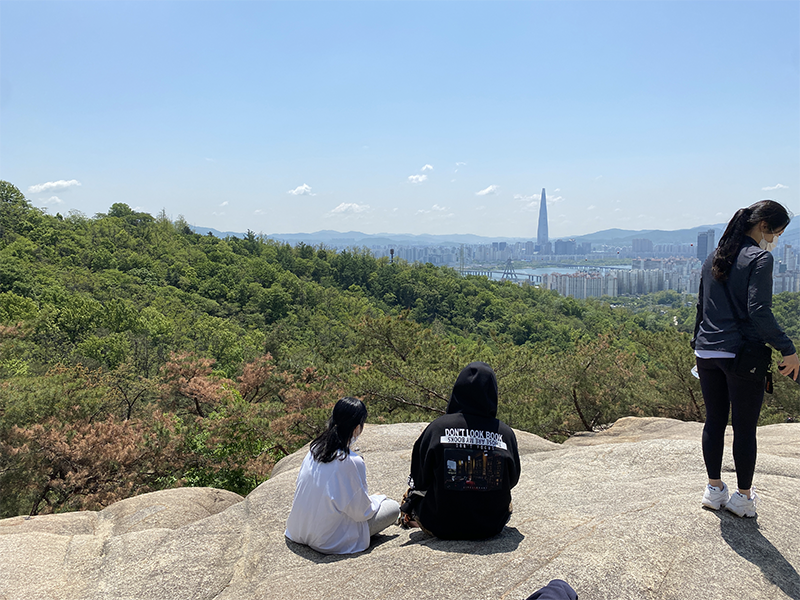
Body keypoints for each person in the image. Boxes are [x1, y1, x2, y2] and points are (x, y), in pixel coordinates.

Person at [691, 200, 799, 518]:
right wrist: (788, 349)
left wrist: (699, 345)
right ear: (763, 225)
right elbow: (759, 310)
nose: (775, 239)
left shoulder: (714, 256)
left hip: (706, 351)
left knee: (714, 421)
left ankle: (713, 490)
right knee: (744, 427)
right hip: (740, 354)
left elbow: (701, 306)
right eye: (777, 232)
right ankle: (743, 497)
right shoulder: (760, 258)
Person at [402, 361, 521, 539]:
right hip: (490, 525)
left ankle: (410, 519)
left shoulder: (437, 428)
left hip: (440, 525)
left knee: (410, 495)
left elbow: (420, 480)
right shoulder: (504, 434)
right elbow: (512, 480)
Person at [284, 397, 400, 554]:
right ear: (357, 428)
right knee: (393, 507)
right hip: (328, 540)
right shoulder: (351, 461)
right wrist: (377, 499)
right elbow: (362, 513)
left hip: (297, 530)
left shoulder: (315, 449)